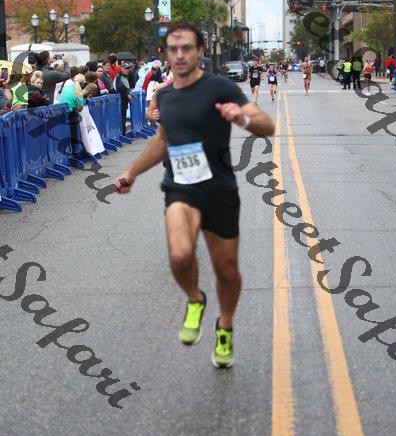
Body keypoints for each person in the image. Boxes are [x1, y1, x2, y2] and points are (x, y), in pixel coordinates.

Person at [115, 21, 275, 369]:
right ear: (166, 54)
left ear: (200, 51)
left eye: (186, 48)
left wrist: (242, 118)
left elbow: (267, 125)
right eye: (173, 49)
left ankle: (225, 326)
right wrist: (132, 172)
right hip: (180, 187)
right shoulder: (165, 95)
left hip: (218, 189)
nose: (179, 55)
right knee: (180, 255)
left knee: (226, 270)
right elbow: (162, 142)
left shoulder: (219, 87)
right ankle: (195, 299)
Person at [59, 74, 85, 157]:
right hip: (71, 113)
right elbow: (80, 108)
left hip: (61, 112)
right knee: (73, 134)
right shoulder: (78, 91)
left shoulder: (65, 88)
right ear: (83, 83)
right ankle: (73, 153)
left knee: (64, 134)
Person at [114, 62, 132, 135]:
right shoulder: (119, 77)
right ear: (121, 69)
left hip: (124, 101)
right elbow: (119, 88)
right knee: (122, 117)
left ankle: (123, 133)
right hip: (120, 101)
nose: (127, 70)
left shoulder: (124, 77)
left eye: (128, 69)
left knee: (123, 117)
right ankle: (122, 133)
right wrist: (127, 94)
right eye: (125, 68)